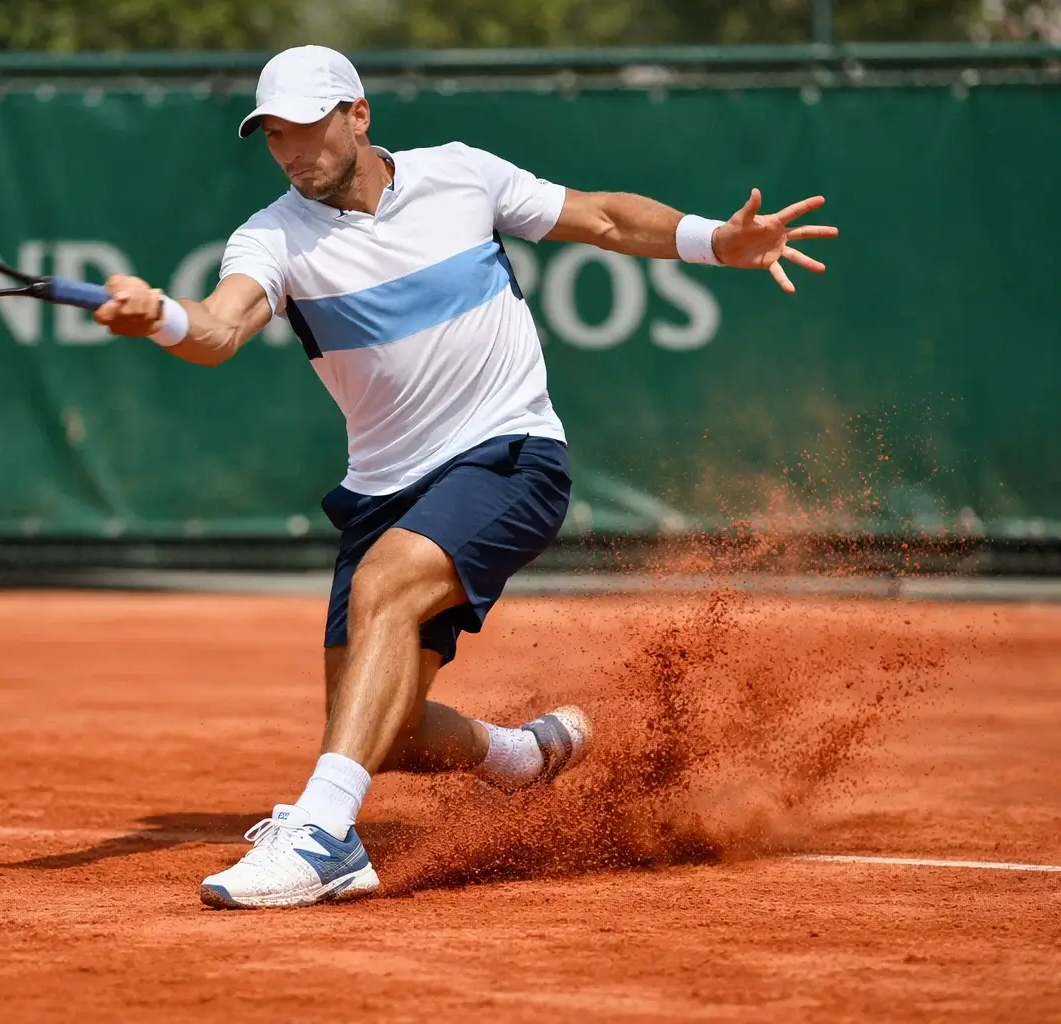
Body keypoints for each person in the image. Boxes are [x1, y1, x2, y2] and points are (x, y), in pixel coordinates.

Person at [94, 45, 837, 909]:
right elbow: (219, 330)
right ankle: (522, 756)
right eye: (275, 136)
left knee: (385, 589)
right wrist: (162, 317)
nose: (293, 151)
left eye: (307, 128)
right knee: (388, 728)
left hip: (509, 455)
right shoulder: (272, 237)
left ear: (358, 115)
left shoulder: (461, 177)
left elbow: (599, 219)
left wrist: (718, 241)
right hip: (384, 491)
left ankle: (326, 835)